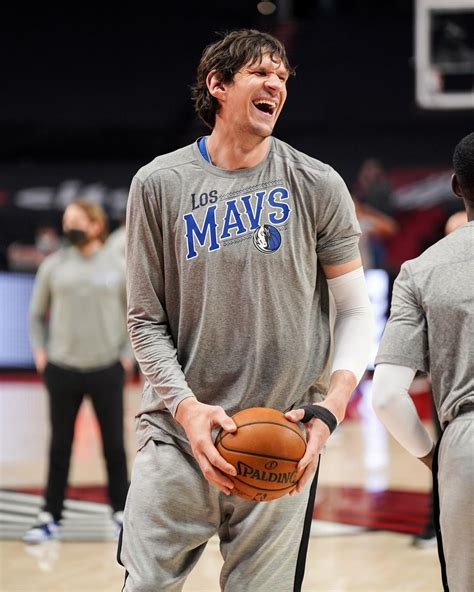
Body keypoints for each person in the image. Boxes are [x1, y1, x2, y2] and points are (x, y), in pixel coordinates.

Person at [119, 29, 374, 591]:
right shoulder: (159, 184)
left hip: (282, 438)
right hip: (177, 437)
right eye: (261, 73)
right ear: (218, 84)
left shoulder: (316, 183)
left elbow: (357, 311)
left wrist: (329, 409)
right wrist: (187, 410)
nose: (275, 85)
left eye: (282, 77)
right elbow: (143, 320)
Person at [372, 132, 474, 592]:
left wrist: (437, 458)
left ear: (456, 186)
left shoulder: (420, 270)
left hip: (465, 443)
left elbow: (388, 397)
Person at [23, 200, 134, 544]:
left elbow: (136, 313)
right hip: (62, 369)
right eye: (66, 221)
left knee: (114, 446)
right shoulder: (53, 266)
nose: (70, 227)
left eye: (77, 221)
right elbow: (35, 315)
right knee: (60, 445)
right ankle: (49, 516)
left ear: (96, 225)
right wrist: (42, 355)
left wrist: (127, 357)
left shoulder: (118, 265)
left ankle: (122, 513)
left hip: (106, 368)